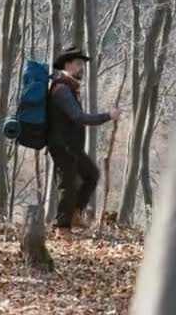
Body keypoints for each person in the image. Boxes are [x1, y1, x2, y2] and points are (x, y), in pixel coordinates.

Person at [47, 46, 121, 237]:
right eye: (79, 64)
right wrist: (108, 116)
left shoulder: (69, 88)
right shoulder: (61, 89)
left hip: (72, 147)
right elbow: (79, 117)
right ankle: (62, 228)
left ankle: (75, 213)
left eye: (83, 65)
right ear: (67, 64)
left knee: (91, 174)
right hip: (62, 146)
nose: (82, 68)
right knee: (67, 185)